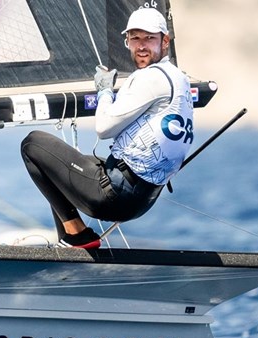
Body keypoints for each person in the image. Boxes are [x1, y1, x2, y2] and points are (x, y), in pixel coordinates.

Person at [20, 8, 194, 249]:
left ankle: (77, 236)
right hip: (142, 200)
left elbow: (103, 128)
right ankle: (72, 238)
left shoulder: (150, 77)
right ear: (127, 42)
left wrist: (104, 91)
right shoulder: (180, 78)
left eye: (149, 38)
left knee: (33, 144)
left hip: (115, 196)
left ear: (165, 41)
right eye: (135, 38)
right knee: (58, 164)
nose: (141, 46)